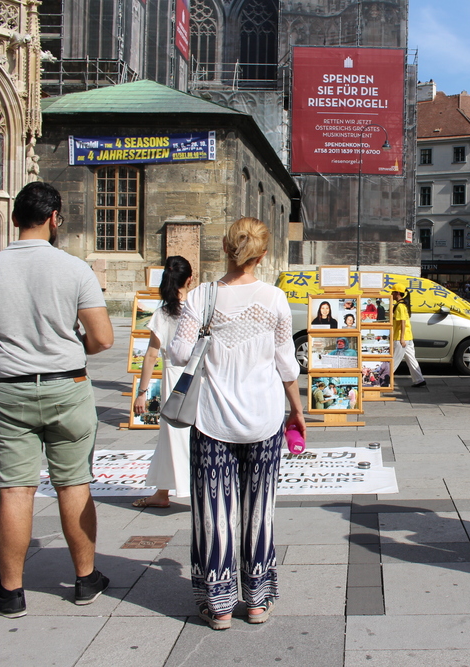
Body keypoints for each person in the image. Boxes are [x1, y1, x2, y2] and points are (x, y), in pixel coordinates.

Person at [0, 182, 114, 617]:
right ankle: (85, 579)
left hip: (12, 389)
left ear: (15, 218)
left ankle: (10, 591)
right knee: (73, 483)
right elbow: (102, 338)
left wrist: (6, 345)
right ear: (54, 218)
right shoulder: (74, 269)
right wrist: (67, 343)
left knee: (15, 489)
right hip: (67, 386)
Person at [169, 217, 303, 629]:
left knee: (215, 513)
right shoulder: (275, 298)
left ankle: (220, 605)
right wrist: (297, 410)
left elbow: (178, 354)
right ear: (262, 255)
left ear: (226, 248)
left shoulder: (201, 297)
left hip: (212, 420)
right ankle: (257, 601)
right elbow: (286, 364)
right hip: (264, 418)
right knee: (260, 510)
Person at [132, 256, 194, 509]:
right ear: (190, 279)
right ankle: (164, 491)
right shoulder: (197, 309)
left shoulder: (163, 313)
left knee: (173, 434)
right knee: (180, 435)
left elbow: (151, 354)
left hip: (173, 378)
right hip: (197, 376)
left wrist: (142, 391)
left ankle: (169, 490)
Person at [391, 286, 427, 388]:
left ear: (398, 293)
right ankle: (419, 380)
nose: (391, 294)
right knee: (411, 359)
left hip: (401, 338)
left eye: (393, 292)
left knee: (394, 360)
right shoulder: (403, 305)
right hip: (408, 337)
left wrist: (402, 338)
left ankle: (383, 380)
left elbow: (402, 322)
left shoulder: (400, 306)